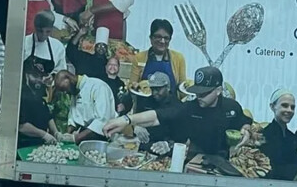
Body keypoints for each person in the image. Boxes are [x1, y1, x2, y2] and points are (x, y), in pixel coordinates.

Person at [104, 66, 251, 159]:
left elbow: (244, 122)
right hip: (196, 160)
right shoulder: (189, 107)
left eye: (204, 93)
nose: (199, 97)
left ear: (218, 90)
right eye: (197, 93)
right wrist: (126, 120)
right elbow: (158, 116)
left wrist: (246, 130)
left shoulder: (232, 107)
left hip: (225, 160)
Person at [54, 70, 116, 143]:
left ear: (70, 79)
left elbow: (102, 121)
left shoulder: (98, 86)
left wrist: (76, 138)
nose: (65, 92)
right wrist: (67, 134)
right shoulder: (74, 90)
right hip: (85, 134)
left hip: (103, 136)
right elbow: (74, 117)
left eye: (64, 89)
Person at [129, 19, 187, 98]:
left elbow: (182, 87)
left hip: (170, 107)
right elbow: (132, 85)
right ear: (151, 38)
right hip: (145, 106)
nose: (162, 41)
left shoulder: (178, 58)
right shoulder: (139, 58)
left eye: (166, 38)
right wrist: (134, 86)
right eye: (158, 37)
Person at [261, 89, 297, 181]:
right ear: (272, 107)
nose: (289, 110)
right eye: (284, 105)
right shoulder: (263, 135)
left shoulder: (293, 137)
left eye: (292, 107)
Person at [132, 72, 180, 147]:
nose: (154, 93)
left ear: (167, 87)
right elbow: (135, 118)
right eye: (152, 89)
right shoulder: (146, 101)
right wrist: (136, 126)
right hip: (144, 146)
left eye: (158, 89)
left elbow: (181, 137)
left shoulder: (176, 105)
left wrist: (169, 144)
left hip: (164, 149)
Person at [18, 66, 61, 148]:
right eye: (36, 76)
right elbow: (21, 126)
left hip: (40, 143)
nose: (39, 80)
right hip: (25, 144)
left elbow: (47, 115)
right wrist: (44, 134)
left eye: (41, 77)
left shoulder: (39, 93)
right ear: (27, 75)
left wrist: (56, 132)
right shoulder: (21, 94)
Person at [22, 11, 67, 75]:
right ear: (35, 28)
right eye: (40, 31)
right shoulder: (24, 43)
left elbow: (61, 73)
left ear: (52, 29)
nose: (44, 35)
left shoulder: (58, 47)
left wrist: (52, 77)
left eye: (47, 31)